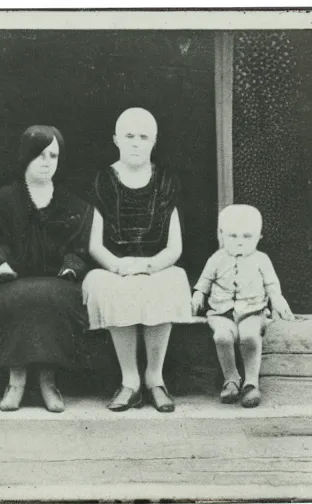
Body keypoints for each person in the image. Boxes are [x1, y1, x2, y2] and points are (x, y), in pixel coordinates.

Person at [0, 125, 93, 413]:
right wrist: (0, 264)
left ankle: (48, 381)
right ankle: (15, 380)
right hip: (11, 280)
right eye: (39, 155)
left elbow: (80, 245)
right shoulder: (4, 199)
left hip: (58, 281)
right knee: (16, 299)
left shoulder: (70, 203)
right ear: (25, 157)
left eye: (53, 155)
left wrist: (71, 267)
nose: (46, 162)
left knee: (55, 299)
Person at [82, 107, 192, 413]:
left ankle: (154, 378)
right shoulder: (102, 180)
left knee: (168, 283)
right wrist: (119, 267)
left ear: (154, 142)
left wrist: (148, 266)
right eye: (129, 136)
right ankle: (129, 381)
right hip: (112, 267)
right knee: (115, 289)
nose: (135, 143)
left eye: (143, 137)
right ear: (116, 139)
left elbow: (175, 247)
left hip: (157, 264)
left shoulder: (167, 181)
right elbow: (94, 244)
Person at [191, 204, 294, 408]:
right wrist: (198, 294)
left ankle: (251, 383)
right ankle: (231, 378)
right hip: (221, 311)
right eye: (233, 236)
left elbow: (271, 284)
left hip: (252, 311)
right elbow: (204, 281)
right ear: (221, 235)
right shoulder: (217, 258)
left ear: (259, 237)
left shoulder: (261, 260)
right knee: (222, 336)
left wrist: (278, 299)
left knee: (248, 336)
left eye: (247, 237)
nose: (239, 242)